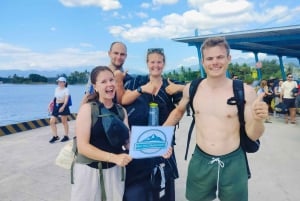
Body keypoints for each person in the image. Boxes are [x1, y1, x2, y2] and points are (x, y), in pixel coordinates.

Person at [163, 37, 268, 201]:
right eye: (210, 58)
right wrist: (158, 137)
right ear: (203, 61)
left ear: (228, 58)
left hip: (234, 161)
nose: (215, 62)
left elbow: (254, 135)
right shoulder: (193, 88)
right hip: (201, 159)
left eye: (220, 57)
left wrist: (258, 119)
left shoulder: (244, 91)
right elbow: (178, 112)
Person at [121, 48, 184, 201]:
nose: (156, 65)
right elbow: (123, 100)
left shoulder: (171, 85)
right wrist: (141, 90)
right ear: (147, 63)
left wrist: (180, 88)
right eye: (152, 62)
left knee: (164, 186)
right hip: (139, 142)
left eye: (159, 62)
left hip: (164, 142)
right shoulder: (137, 81)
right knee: (138, 187)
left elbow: (183, 107)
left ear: (164, 63)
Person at [71, 66, 133, 201]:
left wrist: (158, 148)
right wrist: (114, 157)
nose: (109, 84)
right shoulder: (87, 109)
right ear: (95, 86)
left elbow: (128, 142)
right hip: (89, 172)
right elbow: (83, 147)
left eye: (112, 80)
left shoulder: (121, 111)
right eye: (103, 82)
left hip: (115, 172)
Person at [49, 76, 71, 143]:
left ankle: (66, 136)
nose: (59, 83)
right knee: (52, 121)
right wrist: (50, 103)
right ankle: (55, 136)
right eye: (58, 82)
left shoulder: (66, 90)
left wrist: (63, 107)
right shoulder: (56, 89)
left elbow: (66, 99)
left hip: (63, 105)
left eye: (61, 82)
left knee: (64, 121)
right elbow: (55, 98)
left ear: (64, 83)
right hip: (56, 105)